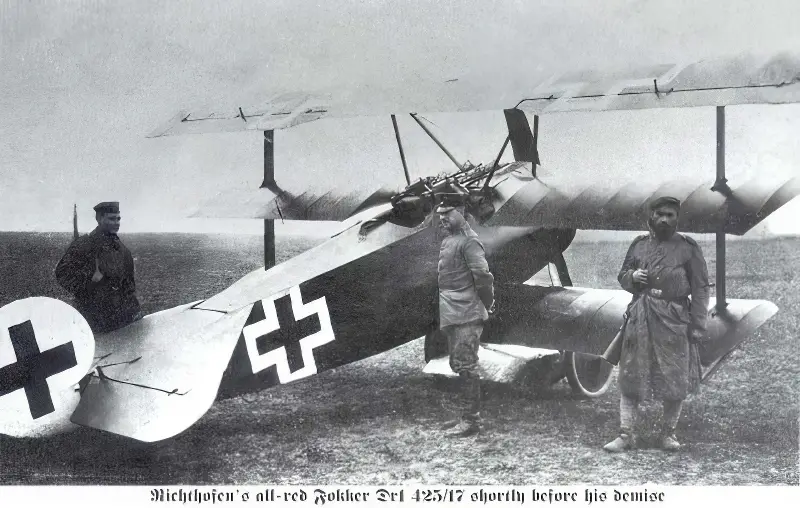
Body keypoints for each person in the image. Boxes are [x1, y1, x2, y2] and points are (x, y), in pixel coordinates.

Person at [604, 196, 709, 453]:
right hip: (641, 316)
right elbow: (622, 276)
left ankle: (668, 434)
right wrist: (632, 277)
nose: (664, 219)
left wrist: (697, 325)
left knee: (674, 376)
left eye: (670, 215)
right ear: (651, 217)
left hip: (674, 320)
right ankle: (626, 434)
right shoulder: (639, 245)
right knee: (630, 372)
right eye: (660, 214)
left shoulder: (688, 248)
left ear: (677, 218)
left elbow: (701, 287)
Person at [435, 194, 495, 437]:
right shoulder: (451, 241)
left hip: (467, 312)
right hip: (452, 311)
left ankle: (471, 421)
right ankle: (465, 414)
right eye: (440, 214)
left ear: (462, 211)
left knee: (466, 364)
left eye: (447, 213)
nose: (442, 218)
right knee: (457, 363)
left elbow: (482, 277)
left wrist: (488, 304)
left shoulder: (470, 242)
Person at [55, 201, 142, 334]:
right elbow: (62, 273)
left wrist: (136, 314)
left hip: (119, 319)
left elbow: (129, 288)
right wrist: (90, 281)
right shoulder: (84, 244)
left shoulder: (123, 250)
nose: (117, 223)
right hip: (93, 318)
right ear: (99, 219)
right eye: (111, 219)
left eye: (118, 219)